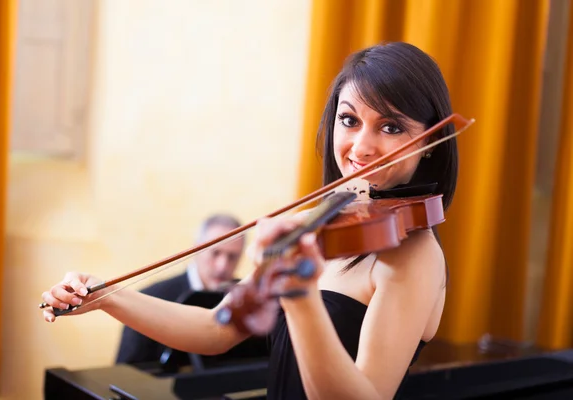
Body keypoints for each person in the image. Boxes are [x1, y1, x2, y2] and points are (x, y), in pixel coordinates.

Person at [41, 41, 458, 399]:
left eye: (390, 126)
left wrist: (299, 297)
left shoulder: (413, 254)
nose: (361, 147)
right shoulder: (320, 224)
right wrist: (106, 296)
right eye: (349, 120)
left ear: (428, 144)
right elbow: (216, 329)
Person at [115, 213, 245, 366]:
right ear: (197, 248)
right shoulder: (149, 297)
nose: (222, 266)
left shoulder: (248, 300)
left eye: (232, 257)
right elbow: (126, 373)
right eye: (215, 253)